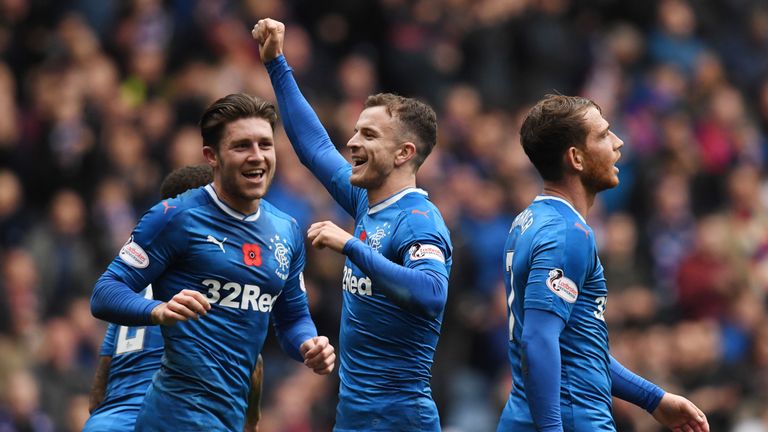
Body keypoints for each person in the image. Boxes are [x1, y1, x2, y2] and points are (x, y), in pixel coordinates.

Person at [90, 94, 336, 431]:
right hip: (174, 415)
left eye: (265, 144)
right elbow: (104, 292)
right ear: (212, 156)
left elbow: (293, 318)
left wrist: (309, 345)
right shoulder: (174, 216)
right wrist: (157, 311)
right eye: (242, 146)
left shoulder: (288, 230)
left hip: (227, 419)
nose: (257, 156)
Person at [254, 18, 453, 432]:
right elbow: (313, 147)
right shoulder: (367, 202)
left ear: (403, 153)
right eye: (356, 131)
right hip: (352, 417)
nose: (352, 142)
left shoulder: (419, 222)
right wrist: (276, 63)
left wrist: (352, 247)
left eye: (368, 135)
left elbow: (432, 294)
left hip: (402, 421)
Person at [498, 94, 709, 431]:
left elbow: (579, 348)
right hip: (573, 418)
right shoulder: (568, 234)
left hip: (526, 416)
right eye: (603, 135)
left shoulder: (528, 221)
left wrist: (653, 399)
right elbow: (537, 341)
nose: (618, 143)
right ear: (576, 158)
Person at [84, 164, 265, 432]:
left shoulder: (129, 292)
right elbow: (252, 366)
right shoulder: (217, 284)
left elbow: (99, 387)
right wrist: (251, 423)